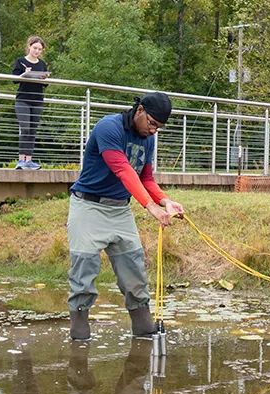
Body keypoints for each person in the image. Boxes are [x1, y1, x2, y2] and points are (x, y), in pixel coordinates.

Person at [67, 92, 185, 341]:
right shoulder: (108, 128)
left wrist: (165, 201)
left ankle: (145, 336)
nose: (153, 131)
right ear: (139, 110)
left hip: (120, 210)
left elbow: (145, 178)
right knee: (84, 274)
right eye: (152, 124)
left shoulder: (148, 140)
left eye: (159, 128)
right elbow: (122, 169)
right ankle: (79, 347)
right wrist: (151, 207)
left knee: (134, 273)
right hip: (87, 207)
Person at [12, 35, 49, 170]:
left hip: (37, 100)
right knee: (25, 128)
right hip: (23, 99)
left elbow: (45, 84)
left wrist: (44, 78)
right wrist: (25, 74)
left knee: (32, 130)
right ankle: (21, 160)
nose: (37, 51)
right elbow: (14, 79)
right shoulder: (20, 61)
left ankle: (29, 160)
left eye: (39, 49)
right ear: (29, 46)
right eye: (35, 48)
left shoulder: (42, 64)